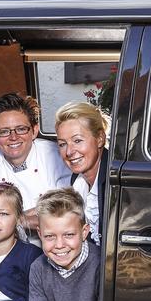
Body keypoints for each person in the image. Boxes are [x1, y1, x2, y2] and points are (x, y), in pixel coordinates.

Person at [0, 93, 71, 232]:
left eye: (21, 129)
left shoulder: (57, 156)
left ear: (34, 130)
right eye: (4, 131)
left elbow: (69, 210)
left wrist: (17, 219)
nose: (13, 137)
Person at [54, 101, 108, 243]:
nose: (69, 152)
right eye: (62, 144)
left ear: (100, 139)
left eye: (77, 140)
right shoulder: (76, 181)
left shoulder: (112, 180)